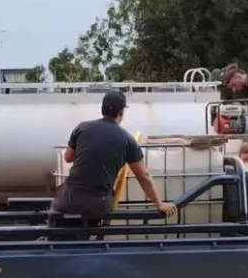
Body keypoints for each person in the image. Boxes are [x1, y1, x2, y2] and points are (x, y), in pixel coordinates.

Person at [50, 91, 177, 231]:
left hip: (68, 199)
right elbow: (143, 176)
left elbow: (68, 158)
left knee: (61, 230)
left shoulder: (82, 127)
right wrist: (159, 204)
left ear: (102, 109)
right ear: (121, 113)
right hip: (98, 205)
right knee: (87, 227)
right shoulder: (127, 140)